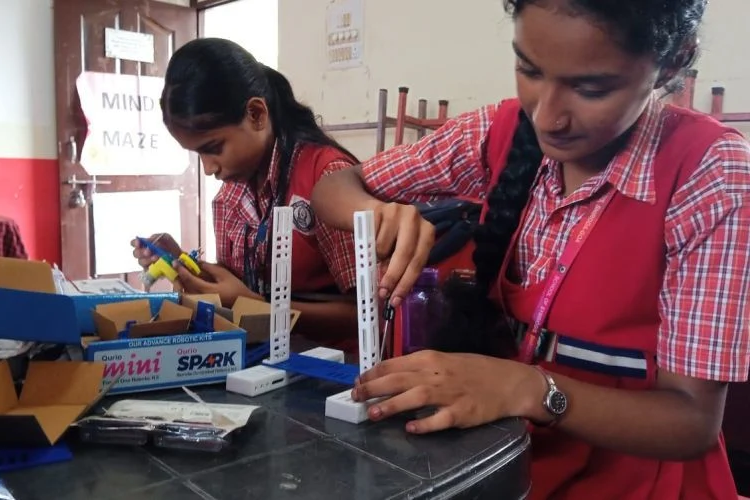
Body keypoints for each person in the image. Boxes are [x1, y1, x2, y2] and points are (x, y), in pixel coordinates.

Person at [311, 0, 750, 498]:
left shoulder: (708, 171)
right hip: (510, 469)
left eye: (591, 88)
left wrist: (527, 388)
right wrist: (378, 213)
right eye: (529, 69)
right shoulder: (500, 131)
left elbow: (692, 422)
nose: (547, 116)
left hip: (639, 485)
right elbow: (335, 187)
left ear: (673, 62)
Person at [132, 38, 359, 350]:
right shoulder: (229, 198)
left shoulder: (328, 180)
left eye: (213, 148)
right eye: (198, 154)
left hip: (335, 366)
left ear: (256, 114)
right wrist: (183, 264)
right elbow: (239, 288)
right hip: (259, 356)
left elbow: (368, 313)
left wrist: (257, 306)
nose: (209, 168)